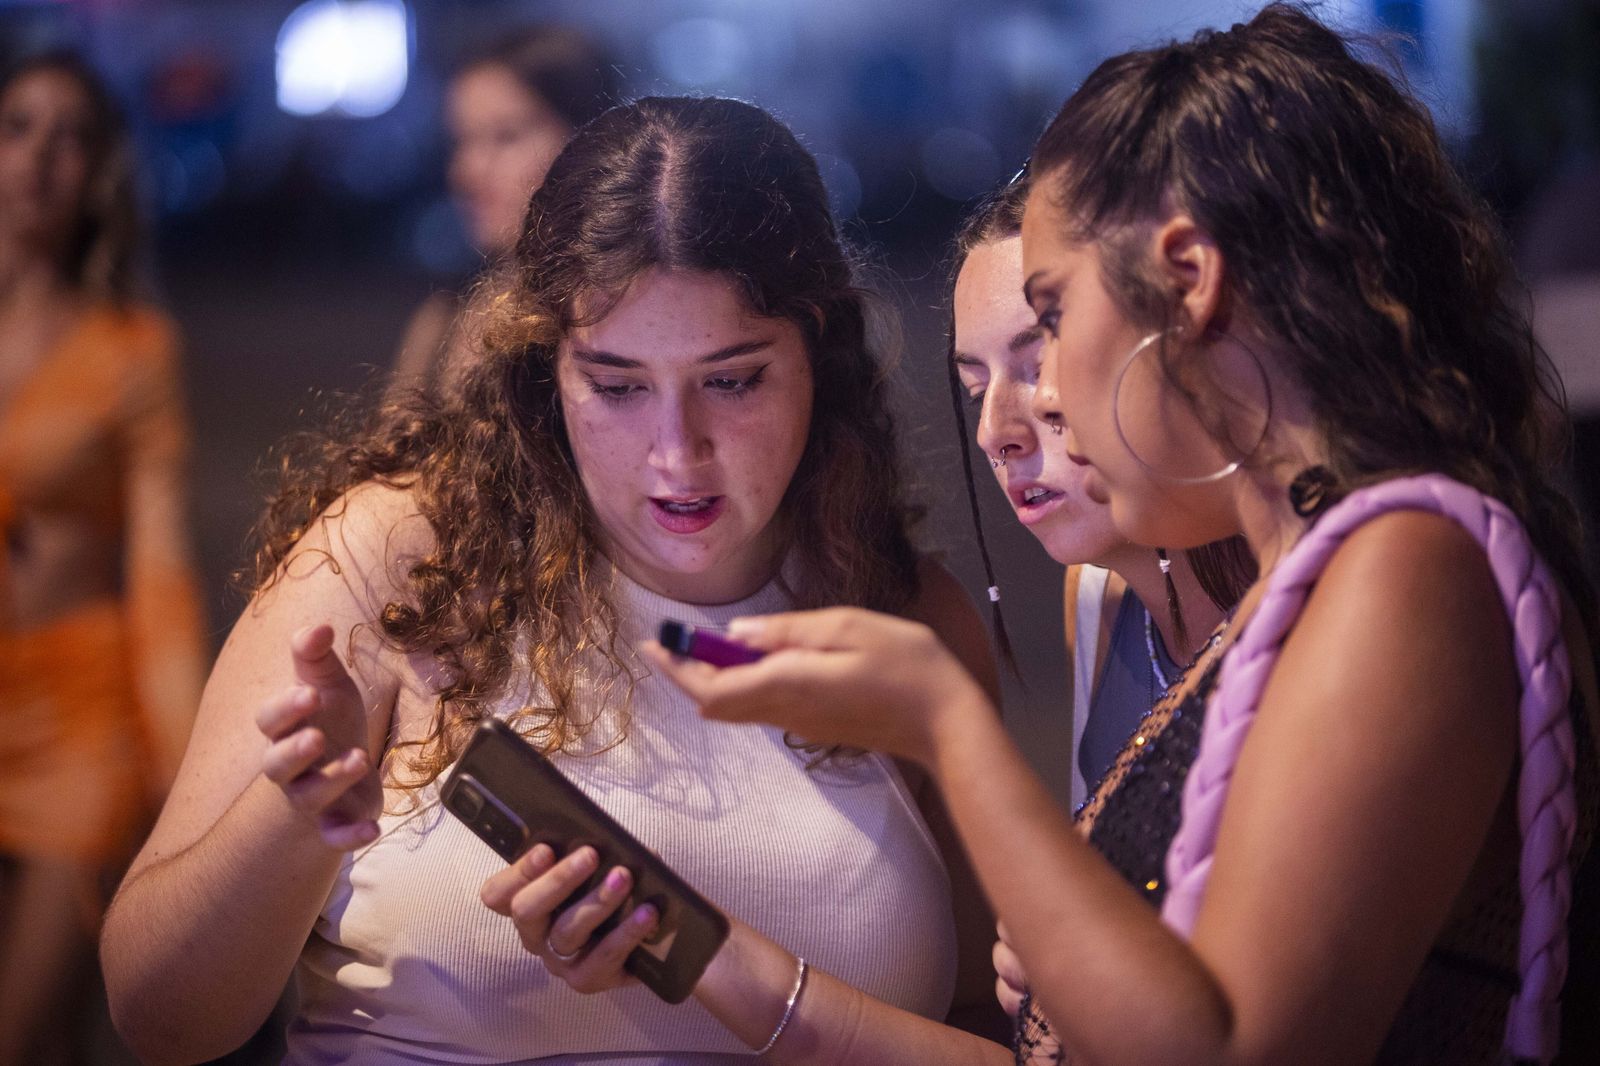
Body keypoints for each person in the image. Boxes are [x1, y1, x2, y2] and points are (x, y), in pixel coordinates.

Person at [624, 7, 1600, 1064]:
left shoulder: (1404, 559)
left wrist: (948, 724)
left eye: (1050, 315)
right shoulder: (1319, 569)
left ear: (1186, 277)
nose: (1029, 407)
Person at [100, 95, 1004, 1064]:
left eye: (732, 380)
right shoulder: (404, 558)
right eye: (616, 387)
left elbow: (992, 1019)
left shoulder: (898, 613)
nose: (676, 454)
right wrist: (290, 815)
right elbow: (159, 1017)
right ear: (544, 367)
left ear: (819, 352)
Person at [0, 51, 208, 1063]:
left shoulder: (130, 345)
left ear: (101, 171)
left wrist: (184, 771)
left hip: (74, 719)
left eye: (72, 134)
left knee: (28, 1032)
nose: (43, 156)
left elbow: (160, 570)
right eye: (19, 126)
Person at [947, 178, 1247, 809]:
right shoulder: (1095, 596)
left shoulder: (1321, 606)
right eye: (977, 390)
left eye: (1040, 368)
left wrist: (949, 731)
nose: (994, 433)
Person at [390, 24, 620, 398]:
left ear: (591, 141)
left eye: (506, 136)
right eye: (463, 141)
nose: (466, 171)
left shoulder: (629, 317)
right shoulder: (444, 321)